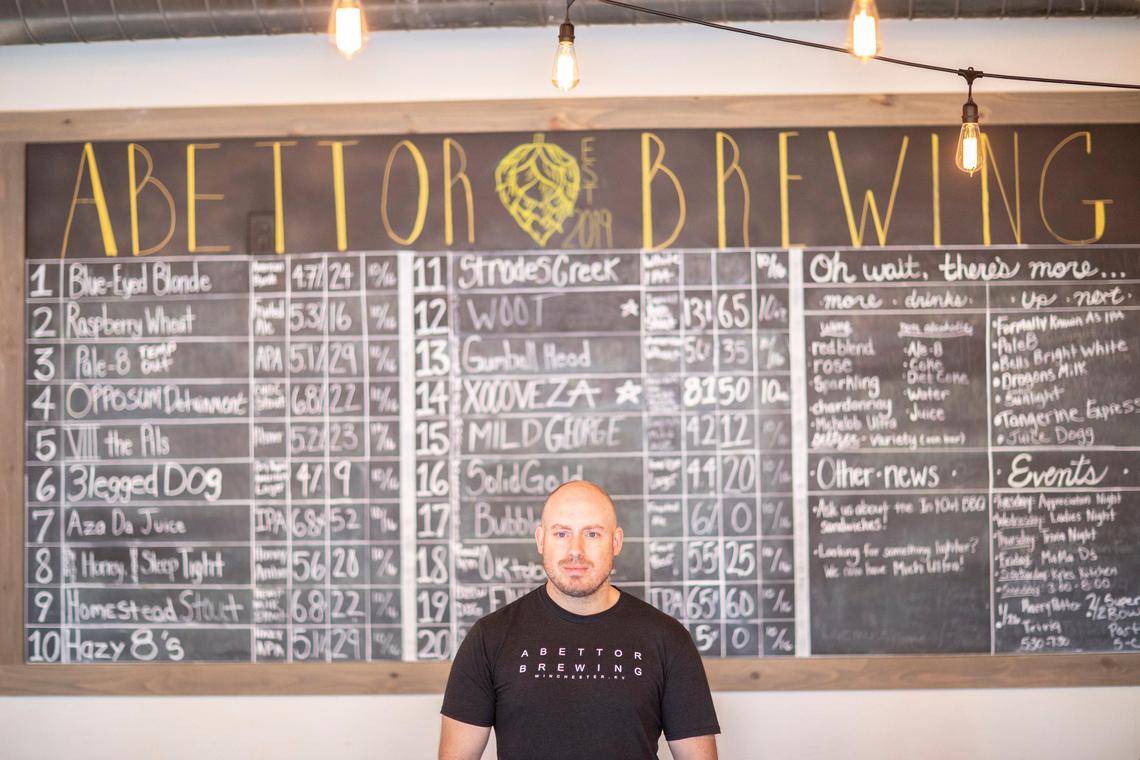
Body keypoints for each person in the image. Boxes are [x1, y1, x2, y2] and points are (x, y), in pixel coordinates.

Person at [439, 480, 720, 760]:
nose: (576, 550)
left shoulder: (668, 639)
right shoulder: (490, 637)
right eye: (561, 534)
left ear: (616, 541)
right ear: (541, 540)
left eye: (593, 534)